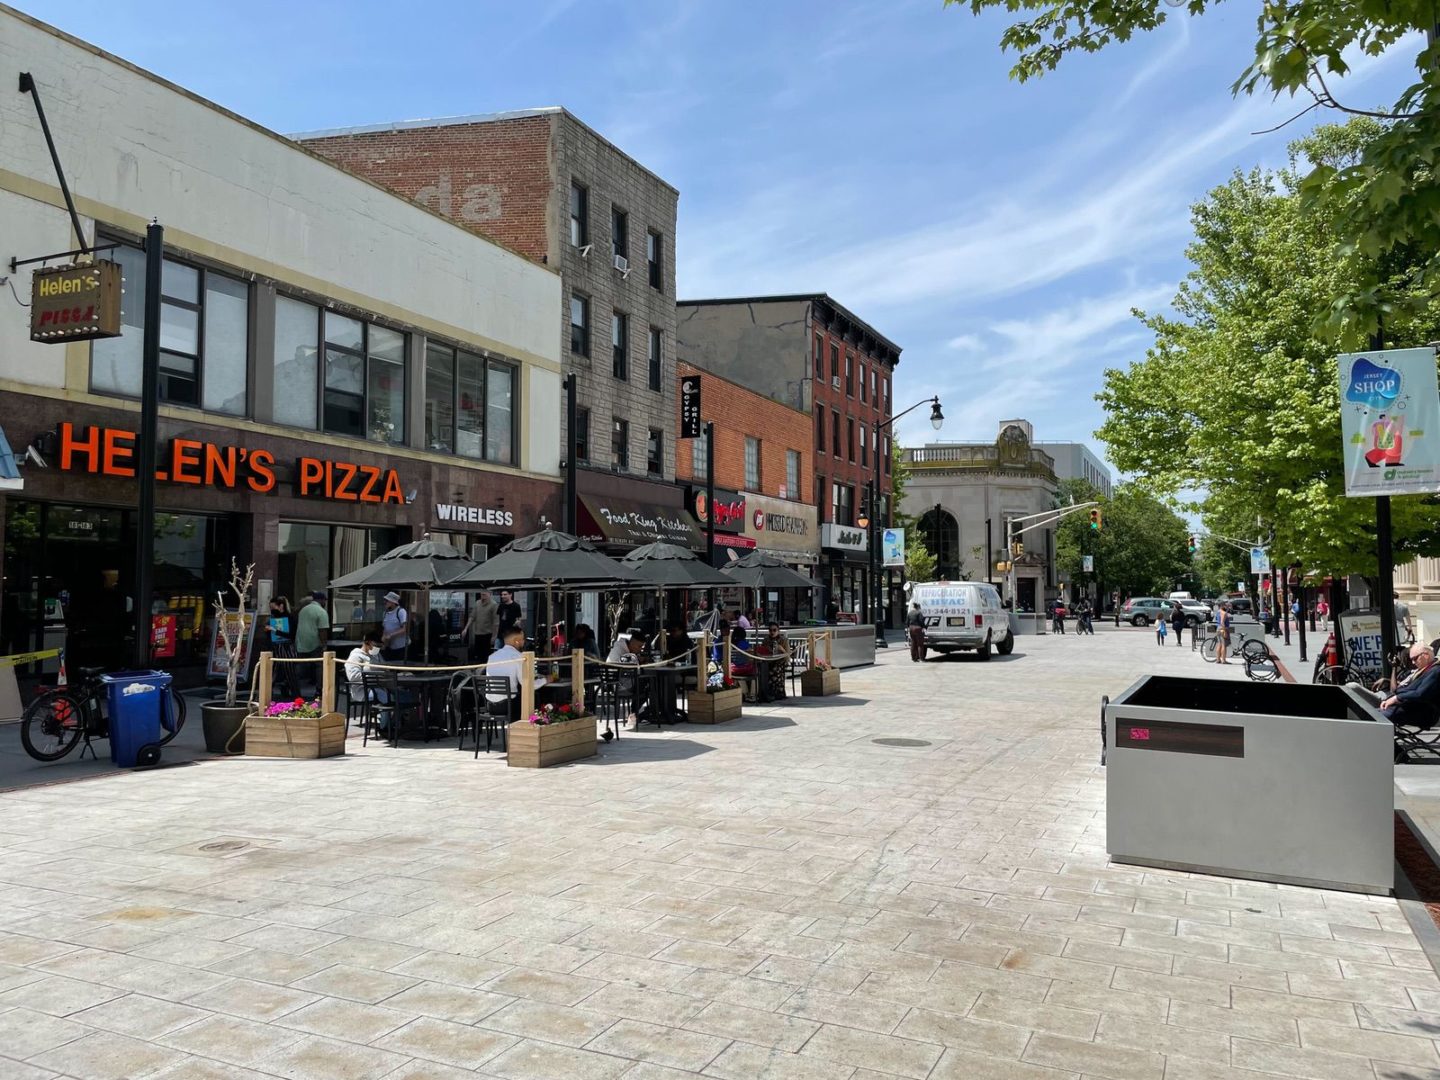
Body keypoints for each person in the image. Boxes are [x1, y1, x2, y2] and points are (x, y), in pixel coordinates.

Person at [485, 625, 547, 721]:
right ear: (516, 641)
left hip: (490, 705)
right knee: (535, 696)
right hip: (509, 705)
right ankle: (533, 727)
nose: (524, 642)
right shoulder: (518, 657)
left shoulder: (492, 656)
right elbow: (528, 684)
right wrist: (546, 679)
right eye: (522, 639)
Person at [345, 632, 390, 732]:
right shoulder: (356, 656)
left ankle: (394, 722)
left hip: (380, 686)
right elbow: (352, 676)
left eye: (379, 646)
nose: (377, 648)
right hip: (363, 690)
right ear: (368, 643)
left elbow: (385, 668)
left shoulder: (377, 655)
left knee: (398, 694)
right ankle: (385, 728)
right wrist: (374, 677)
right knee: (387, 697)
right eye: (376, 645)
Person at [294, 591, 330, 692]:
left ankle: (294, 687)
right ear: (322, 600)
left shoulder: (303, 610)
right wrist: (324, 645)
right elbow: (323, 630)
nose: (325, 603)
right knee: (319, 666)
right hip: (315, 643)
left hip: (300, 642)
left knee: (300, 666)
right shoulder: (321, 612)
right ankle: (319, 689)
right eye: (325, 601)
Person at [461, 590, 498, 663]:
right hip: (478, 633)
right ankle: (478, 667)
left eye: (484, 594)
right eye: (481, 595)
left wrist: (494, 635)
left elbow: (496, 621)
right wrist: (466, 628)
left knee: (486, 654)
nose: (483, 596)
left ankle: (485, 669)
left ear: (489, 594)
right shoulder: (477, 603)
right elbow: (472, 616)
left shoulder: (493, 605)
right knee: (478, 653)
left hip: (488, 633)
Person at [380, 591, 409, 662]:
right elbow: (385, 629)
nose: (385, 602)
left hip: (402, 647)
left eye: (387, 601)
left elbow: (404, 629)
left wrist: (391, 635)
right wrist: (383, 641)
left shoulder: (401, 611)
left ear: (393, 602)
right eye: (385, 600)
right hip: (390, 646)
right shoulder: (385, 613)